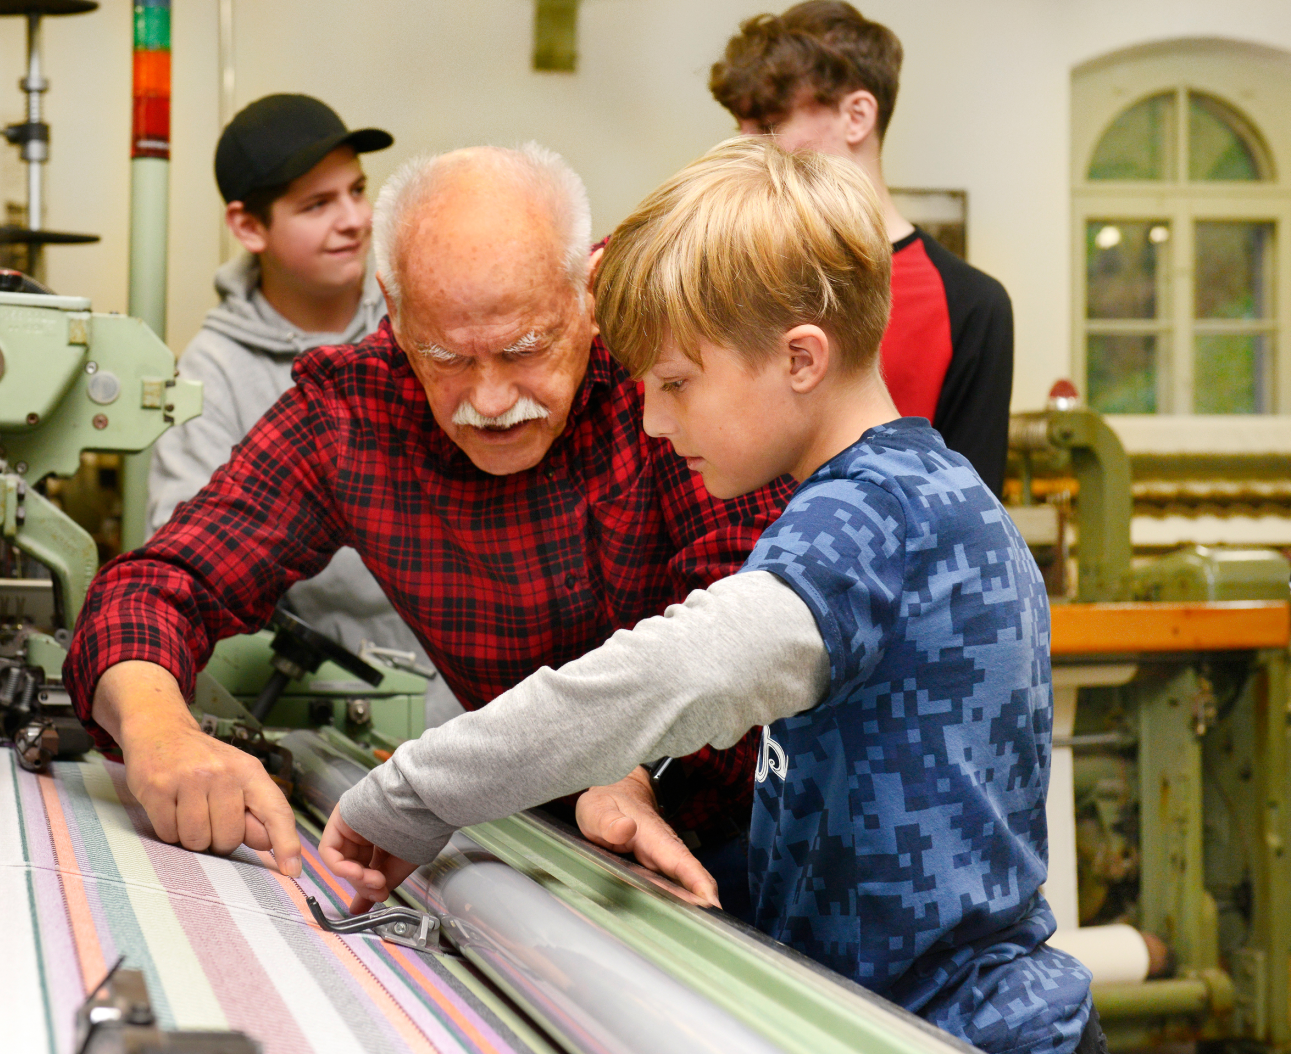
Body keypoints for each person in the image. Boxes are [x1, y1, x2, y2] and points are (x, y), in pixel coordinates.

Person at [320, 138, 1097, 1054]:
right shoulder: (914, 491)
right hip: (877, 1014)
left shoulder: (870, 526)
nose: (652, 419)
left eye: (678, 383)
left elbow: (670, 675)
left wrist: (414, 794)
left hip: (953, 1029)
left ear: (801, 358)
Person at [65, 143, 793, 907]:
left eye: (524, 349)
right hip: (534, 835)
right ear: (396, 306)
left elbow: (745, 631)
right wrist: (159, 733)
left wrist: (632, 772)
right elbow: (162, 583)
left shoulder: (670, 374)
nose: (488, 399)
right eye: (445, 356)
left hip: (745, 825)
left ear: (588, 289)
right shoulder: (352, 415)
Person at [144, 94, 461, 728]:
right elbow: (190, 555)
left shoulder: (425, 318)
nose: (354, 220)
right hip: (328, 706)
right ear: (248, 227)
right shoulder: (213, 372)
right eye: (317, 205)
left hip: (470, 695)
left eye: (357, 190)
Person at [710, 1, 1013, 495]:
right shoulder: (727, 277)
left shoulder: (970, 305)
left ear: (857, 115)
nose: (744, 148)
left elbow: (970, 522)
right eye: (739, 126)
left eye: (768, 123)